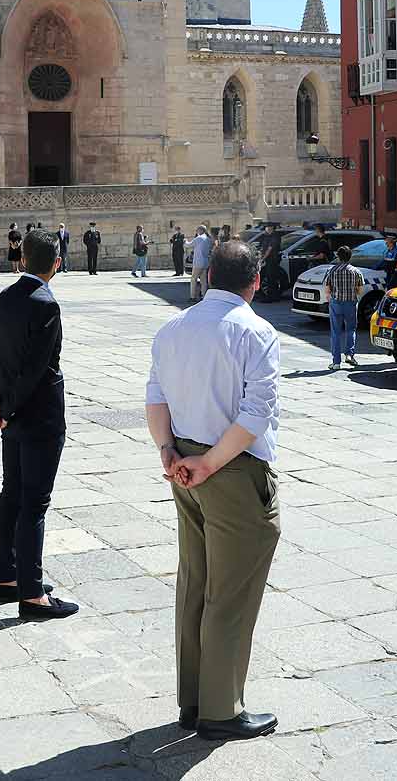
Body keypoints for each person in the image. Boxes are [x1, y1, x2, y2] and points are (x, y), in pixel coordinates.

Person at [145, 240, 281, 741]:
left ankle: (195, 699)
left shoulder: (174, 327)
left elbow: (155, 397)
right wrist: (209, 463)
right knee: (232, 590)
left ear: (208, 275)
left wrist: (168, 453)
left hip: (183, 463)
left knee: (195, 582)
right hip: (231, 470)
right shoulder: (257, 332)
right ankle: (221, 710)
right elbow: (255, 414)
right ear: (255, 281)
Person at [0, 229, 78, 621]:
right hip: (39, 416)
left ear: (21, 260)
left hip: (13, 416)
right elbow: (37, 371)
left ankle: (8, 577)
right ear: (56, 264)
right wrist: (9, 408)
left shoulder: (4, 297)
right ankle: (33, 594)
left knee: (12, 493)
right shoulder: (46, 305)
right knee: (34, 502)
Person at [324, 244, 363, 369]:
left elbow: (327, 289)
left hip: (336, 303)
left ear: (338, 257)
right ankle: (349, 355)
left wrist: (330, 298)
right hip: (351, 303)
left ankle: (336, 362)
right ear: (350, 257)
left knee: (335, 332)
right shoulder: (356, 271)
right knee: (351, 329)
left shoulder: (332, 270)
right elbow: (360, 290)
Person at [189, 225, 213, 302]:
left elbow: (189, 245)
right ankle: (203, 296)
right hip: (205, 262)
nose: (196, 231)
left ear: (200, 230)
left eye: (197, 230)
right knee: (203, 281)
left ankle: (192, 296)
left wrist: (184, 241)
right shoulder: (208, 239)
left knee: (193, 279)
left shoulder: (199, 238)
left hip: (198, 262)